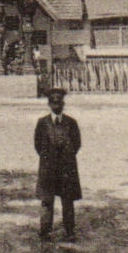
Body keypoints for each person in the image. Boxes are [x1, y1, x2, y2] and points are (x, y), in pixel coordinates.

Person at [34, 87, 82, 240]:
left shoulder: (71, 123)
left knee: (67, 201)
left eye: (59, 102)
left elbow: (77, 143)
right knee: (47, 201)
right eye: (54, 103)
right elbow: (37, 145)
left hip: (66, 168)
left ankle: (69, 231)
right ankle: (45, 231)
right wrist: (49, 159)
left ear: (63, 104)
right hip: (48, 169)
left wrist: (66, 157)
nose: (57, 106)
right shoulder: (42, 123)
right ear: (49, 104)